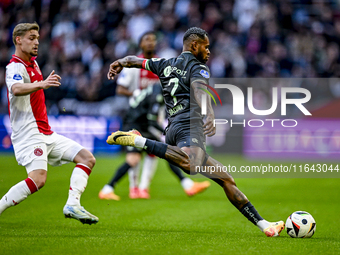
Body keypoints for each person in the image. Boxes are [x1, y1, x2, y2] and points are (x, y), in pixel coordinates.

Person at [106, 27, 284, 237]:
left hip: (172, 128)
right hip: (189, 126)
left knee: (226, 179)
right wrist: (209, 113)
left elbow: (135, 60)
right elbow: (200, 90)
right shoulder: (198, 67)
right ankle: (140, 141)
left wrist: (119, 63)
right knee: (192, 165)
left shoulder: (164, 63)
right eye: (206, 47)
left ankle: (265, 226)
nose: (208, 51)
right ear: (194, 45)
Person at [0, 22, 98, 225]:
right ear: (18, 40)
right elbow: (16, 89)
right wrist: (42, 83)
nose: (36, 42)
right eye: (31, 38)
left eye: (37, 38)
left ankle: (73, 204)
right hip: (28, 133)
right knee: (38, 179)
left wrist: (42, 82)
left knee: (87, 158)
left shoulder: (33, 63)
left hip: (46, 132)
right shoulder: (15, 66)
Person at [103, 31, 209, 199]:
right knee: (145, 153)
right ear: (141, 44)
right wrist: (139, 93)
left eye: (153, 40)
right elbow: (120, 89)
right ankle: (132, 188)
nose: (151, 43)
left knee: (155, 153)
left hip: (157, 116)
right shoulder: (134, 68)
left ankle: (142, 188)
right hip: (137, 116)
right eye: (147, 40)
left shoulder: (161, 64)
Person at [98, 83, 210, 200]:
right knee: (136, 159)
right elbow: (152, 121)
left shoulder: (156, 88)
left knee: (166, 153)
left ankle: (187, 185)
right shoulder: (157, 95)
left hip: (140, 125)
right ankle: (108, 190)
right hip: (136, 127)